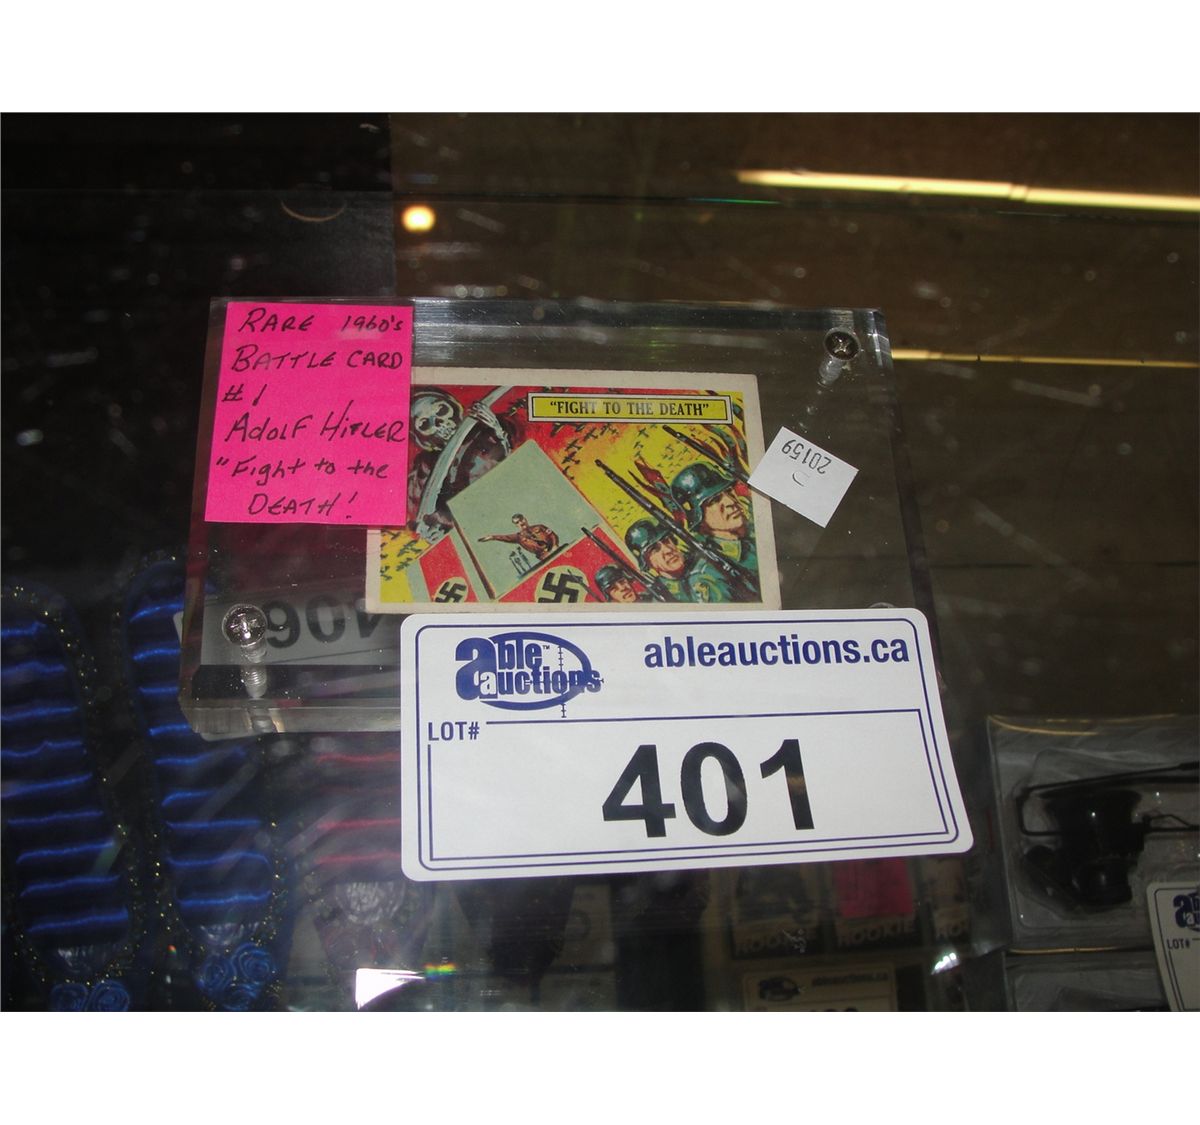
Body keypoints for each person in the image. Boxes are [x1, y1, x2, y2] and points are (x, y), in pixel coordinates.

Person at [669, 462, 757, 575]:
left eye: (729, 492)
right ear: (699, 516)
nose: (730, 502)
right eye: (714, 501)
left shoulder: (751, 538)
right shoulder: (708, 572)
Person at [624, 519, 731, 603]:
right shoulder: (657, 596)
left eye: (666, 540)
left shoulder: (709, 566)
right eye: (654, 549)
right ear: (646, 562)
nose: (668, 550)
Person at [479, 514, 559, 560]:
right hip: (544, 557)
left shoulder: (539, 527)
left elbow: (552, 535)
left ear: (525, 519)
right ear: (516, 525)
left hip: (555, 550)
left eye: (521, 520)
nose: (521, 523)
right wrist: (492, 537)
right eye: (517, 522)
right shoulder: (518, 537)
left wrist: (554, 545)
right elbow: (504, 537)